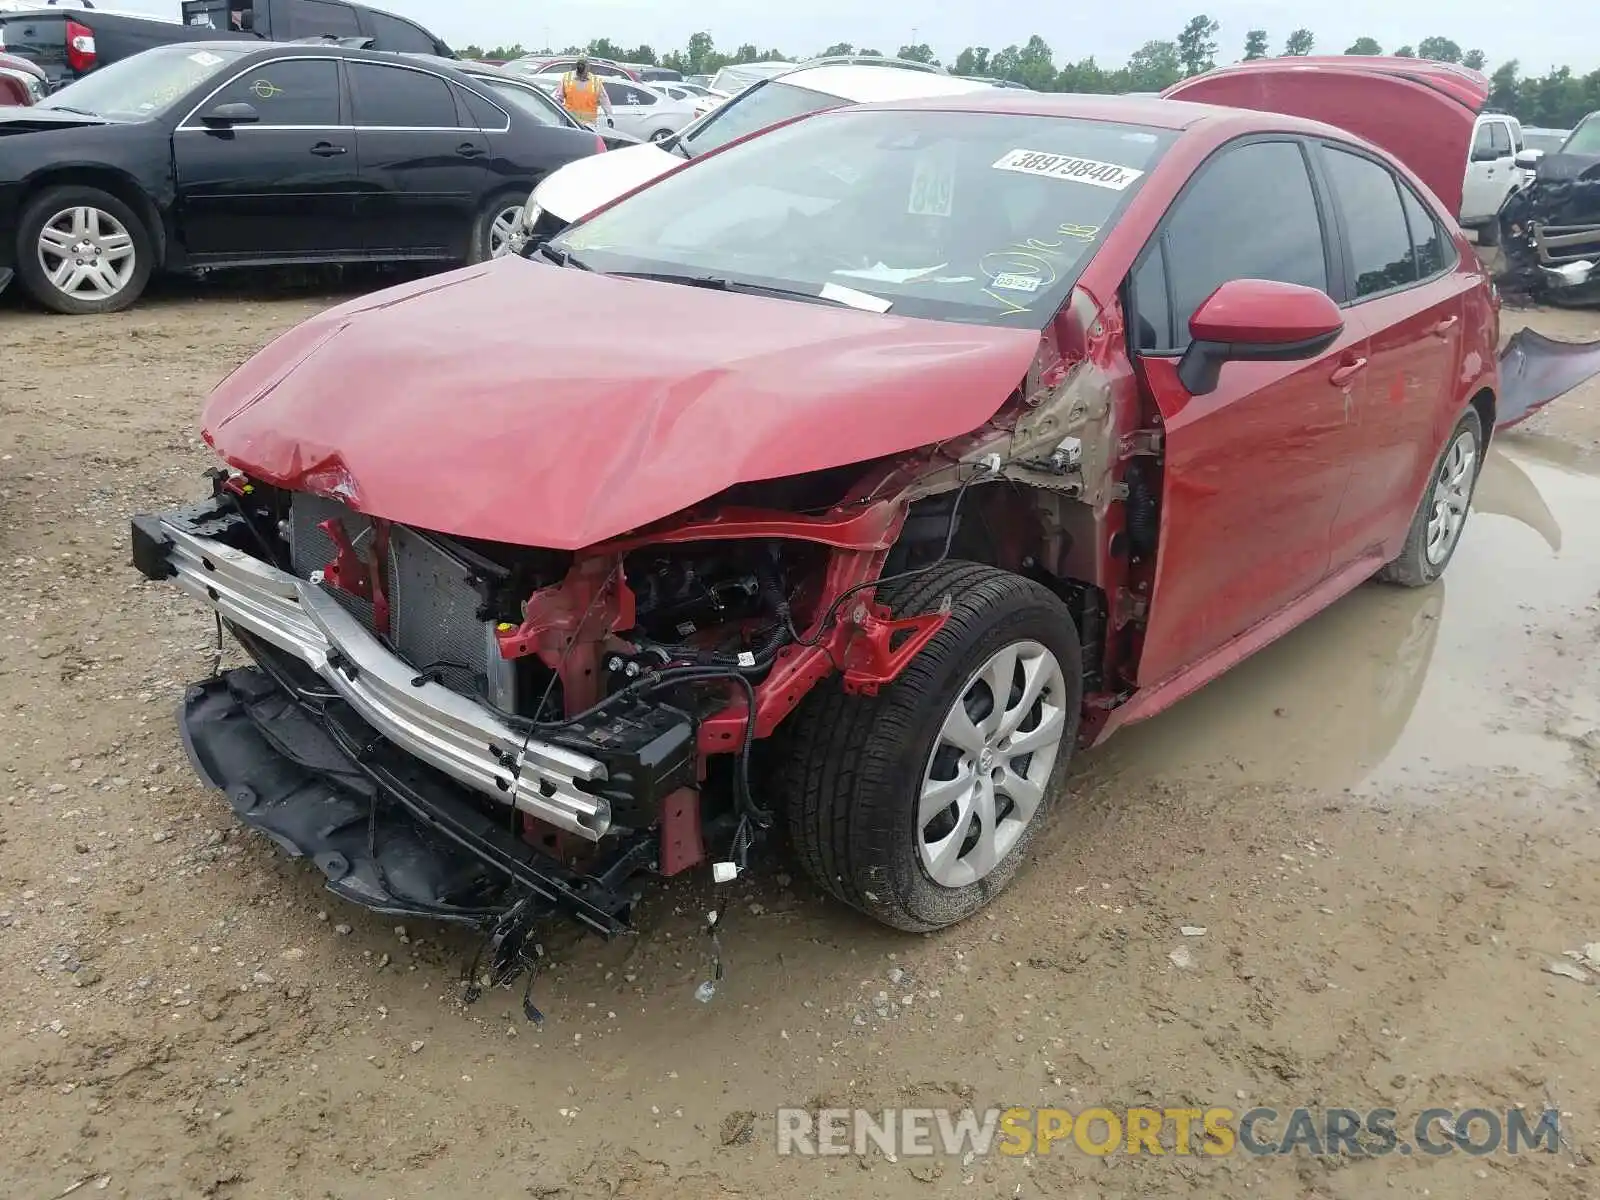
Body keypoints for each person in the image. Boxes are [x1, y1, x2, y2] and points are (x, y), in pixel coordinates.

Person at [558, 55, 613, 128]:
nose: (580, 67)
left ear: (588, 67)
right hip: (571, 122)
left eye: (583, 65)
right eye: (579, 65)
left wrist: (609, 116)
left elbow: (604, 100)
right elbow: (558, 98)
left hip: (589, 125)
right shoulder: (567, 78)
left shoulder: (595, 81)